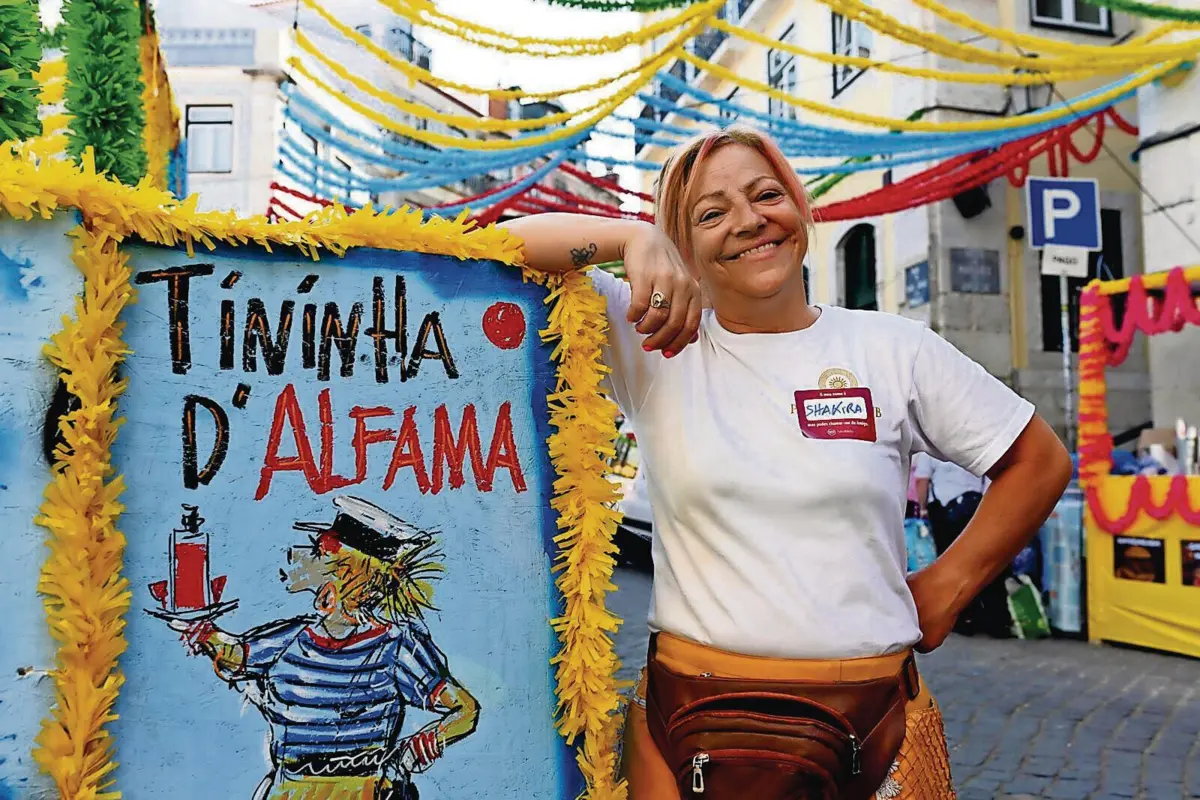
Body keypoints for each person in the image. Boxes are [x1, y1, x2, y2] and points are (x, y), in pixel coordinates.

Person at [502, 125, 1071, 799]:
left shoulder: (893, 349)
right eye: (710, 214)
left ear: (800, 208)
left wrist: (947, 588)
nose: (749, 221)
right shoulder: (653, 335)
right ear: (684, 248)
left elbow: (1037, 460)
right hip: (689, 723)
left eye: (765, 194)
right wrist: (633, 237)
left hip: (873, 725)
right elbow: (502, 248)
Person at [170, 496, 479, 800]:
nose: (301, 558)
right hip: (289, 792)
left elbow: (464, 710)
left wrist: (414, 751)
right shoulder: (290, 637)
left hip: (365, 791)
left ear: (350, 578)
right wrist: (206, 633)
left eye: (321, 556)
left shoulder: (396, 646)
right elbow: (237, 655)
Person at [914, 452, 1011, 637]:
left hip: (944, 512)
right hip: (977, 508)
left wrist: (923, 509)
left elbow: (922, 480)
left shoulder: (930, 448)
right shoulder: (976, 442)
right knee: (984, 562)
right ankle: (995, 620)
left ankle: (964, 618)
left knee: (952, 565)